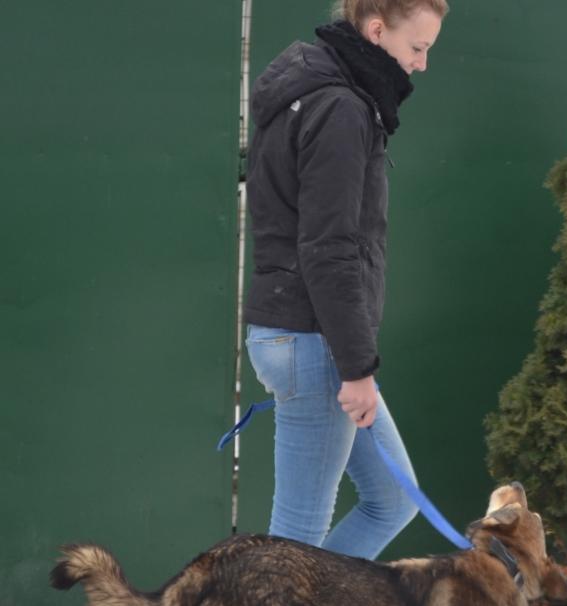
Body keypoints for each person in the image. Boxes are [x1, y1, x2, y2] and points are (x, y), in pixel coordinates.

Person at [242, 0, 447, 559]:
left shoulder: (319, 91)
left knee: (392, 500)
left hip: (304, 333)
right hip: (315, 341)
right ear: (377, 31)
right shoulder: (340, 107)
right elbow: (329, 248)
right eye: (417, 48)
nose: (421, 65)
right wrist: (356, 368)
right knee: (295, 543)